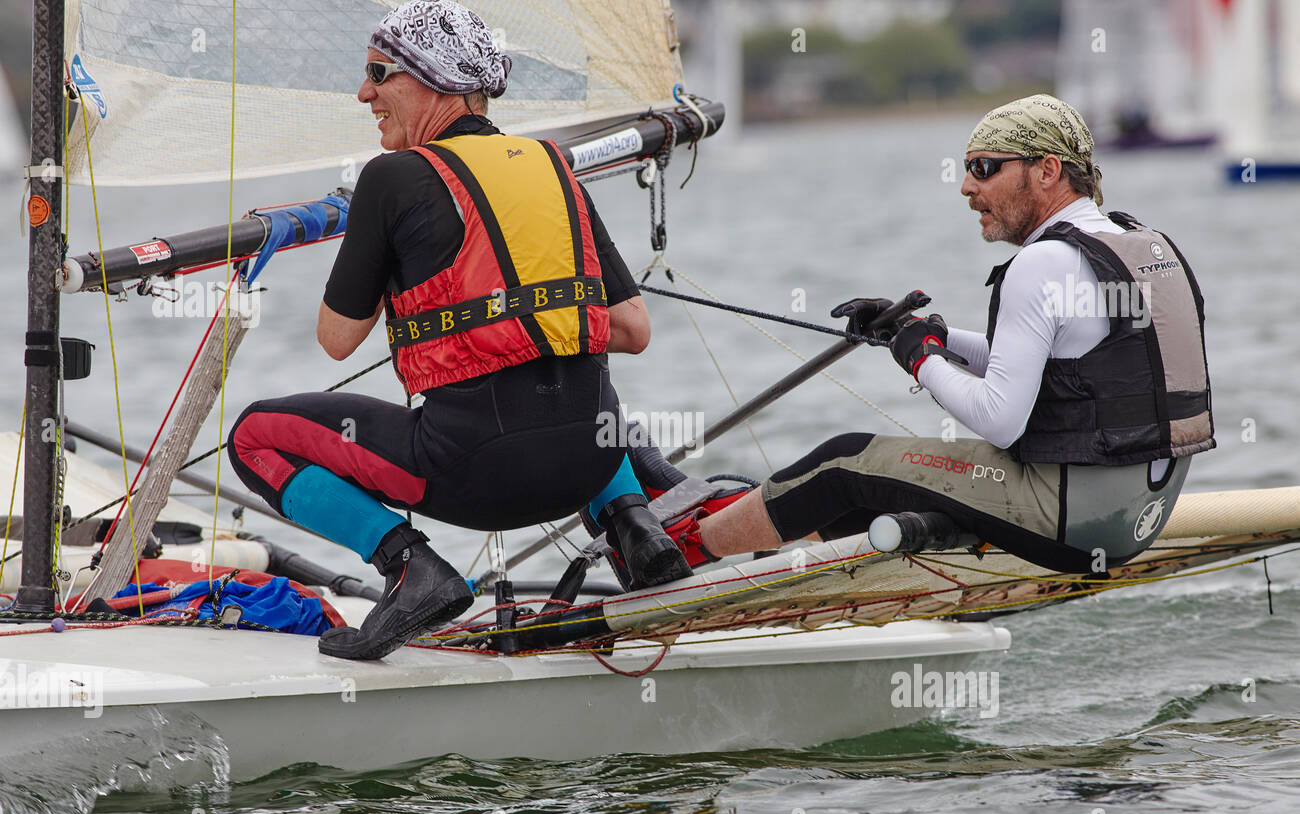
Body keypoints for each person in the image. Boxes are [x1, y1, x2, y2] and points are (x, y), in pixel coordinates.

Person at [228, 0, 687, 661]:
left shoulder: (388, 179)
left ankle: (410, 568)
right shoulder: (552, 164)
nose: (365, 93)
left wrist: (374, 233)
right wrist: (529, 315)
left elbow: (336, 338)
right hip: (587, 468)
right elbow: (634, 329)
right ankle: (638, 531)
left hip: (474, 477)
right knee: (590, 404)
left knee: (254, 437)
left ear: (430, 79)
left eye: (379, 74)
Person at [671, 94, 1214, 574]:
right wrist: (925, 332)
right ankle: (783, 571)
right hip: (1140, 515)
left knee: (840, 462)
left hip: (1074, 521)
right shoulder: (1142, 243)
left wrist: (921, 361)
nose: (965, 186)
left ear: (1048, 170)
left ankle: (676, 552)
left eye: (984, 167)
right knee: (871, 489)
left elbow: (1001, 422)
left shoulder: (1042, 263)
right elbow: (1058, 367)